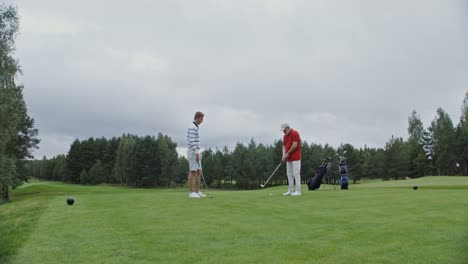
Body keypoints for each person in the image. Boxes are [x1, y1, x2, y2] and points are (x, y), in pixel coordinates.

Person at [187, 111, 206, 198]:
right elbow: (191, 141)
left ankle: (197, 191)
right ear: (197, 118)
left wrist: (198, 152)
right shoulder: (192, 127)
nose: (202, 121)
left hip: (197, 151)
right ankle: (191, 193)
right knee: (193, 171)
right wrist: (196, 153)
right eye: (201, 119)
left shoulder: (196, 127)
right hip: (193, 151)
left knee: (199, 171)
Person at [281, 123, 302, 196]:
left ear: (287, 128)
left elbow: (295, 145)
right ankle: (291, 190)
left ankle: (298, 191)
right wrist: (283, 155)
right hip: (288, 158)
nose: (283, 131)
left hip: (296, 157)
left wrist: (288, 153)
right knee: (289, 174)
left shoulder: (295, 133)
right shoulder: (284, 136)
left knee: (296, 174)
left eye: (284, 130)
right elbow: (283, 146)